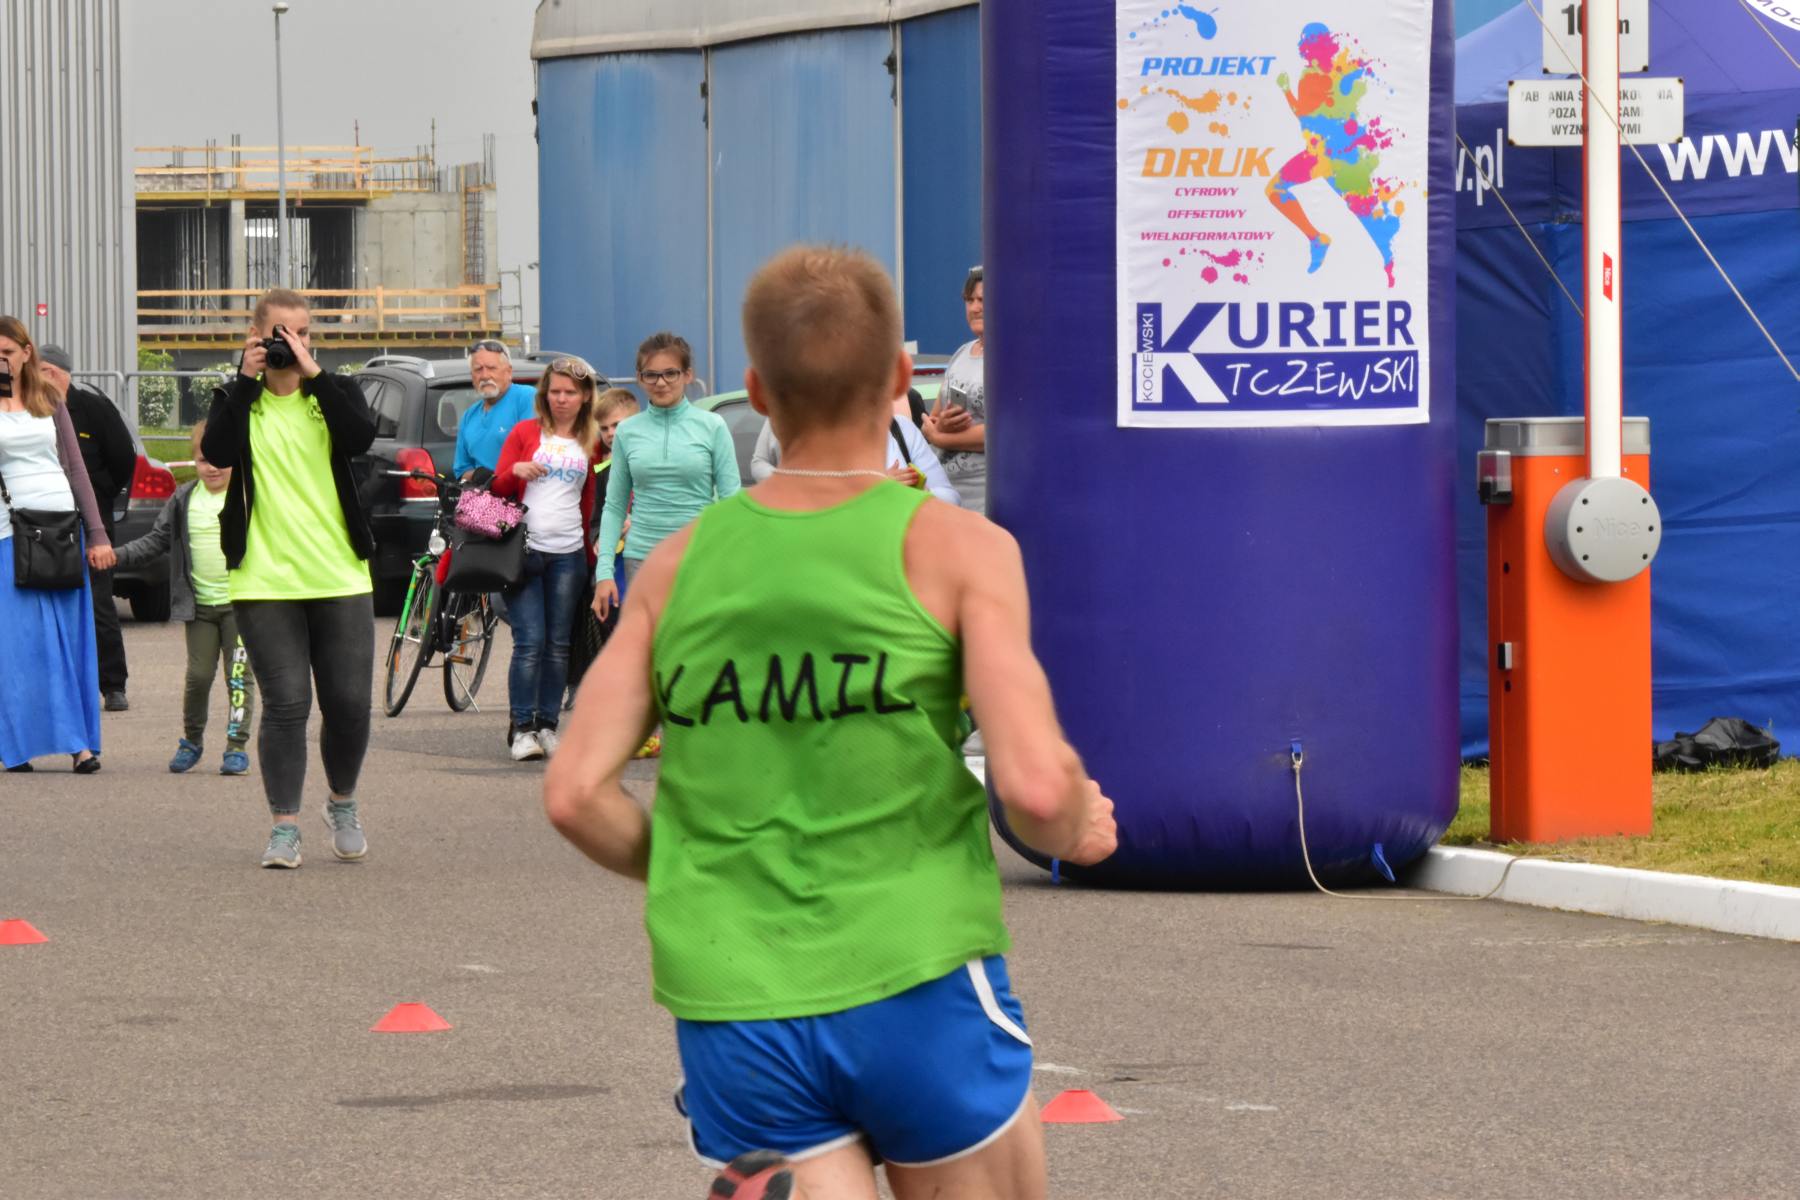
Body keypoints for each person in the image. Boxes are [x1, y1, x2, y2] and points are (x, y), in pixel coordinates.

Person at [543, 246, 1117, 1200]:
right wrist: (1076, 824)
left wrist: (697, 862)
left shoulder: (677, 566)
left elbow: (572, 794)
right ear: (900, 377)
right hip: (914, 968)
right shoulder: (961, 548)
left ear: (756, 393)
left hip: (735, 991)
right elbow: (1031, 786)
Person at [200, 289, 378, 869]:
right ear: (255, 335)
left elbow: (360, 438)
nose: (292, 343)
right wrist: (244, 379)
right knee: (287, 704)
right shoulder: (236, 398)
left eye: (302, 333)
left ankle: (342, 803)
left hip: (339, 572)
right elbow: (218, 452)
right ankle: (284, 827)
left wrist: (314, 374)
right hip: (264, 578)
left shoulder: (335, 392)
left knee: (348, 703)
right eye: (281, 333)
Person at [0, 316, 115, 773]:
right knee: (21, 644)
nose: (2, 361)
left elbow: (76, 469)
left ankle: (79, 745)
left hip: (62, 529)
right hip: (9, 533)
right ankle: (17, 745)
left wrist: (98, 533)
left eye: (7, 352)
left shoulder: (49, 398)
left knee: (68, 639)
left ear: (27, 352)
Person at [112, 420, 256, 776]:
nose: (213, 467)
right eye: (205, 460)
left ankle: (236, 746)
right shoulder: (184, 499)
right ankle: (192, 740)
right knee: (198, 677)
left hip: (241, 607)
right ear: (194, 461)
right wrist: (117, 555)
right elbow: (156, 540)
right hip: (200, 607)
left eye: (222, 460)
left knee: (238, 677)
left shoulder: (248, 497)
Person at [489, 358, 603, 762]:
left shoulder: (591, 439)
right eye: (555, 391)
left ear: (585, 396)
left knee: (558, 644)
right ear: (544, 394)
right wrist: (516, 470)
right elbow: (497, 486)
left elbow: (592, 498)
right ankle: (522, 729)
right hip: (524, 551)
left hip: (569, 553)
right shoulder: (525, 432)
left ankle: (547, 725)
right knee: (530, 641)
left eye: (570, 392)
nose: (561, 398)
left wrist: (591, 553)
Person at [589, 332, 738, 623]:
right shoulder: (628, 431)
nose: (661, 382)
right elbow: (615, 506)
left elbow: (731, 501)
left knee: (697, 647)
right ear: (639, 378)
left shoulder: (713, 426)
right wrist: (604, 572)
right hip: (641, 561)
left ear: (687, 375)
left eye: (670, 373)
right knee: (647, 648)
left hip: (699, 559)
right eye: (651, 374)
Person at [38, 344, 137, 711]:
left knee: (98, 602)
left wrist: (102, 493)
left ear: (57, 373)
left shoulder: (93, 408)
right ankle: (61, 687)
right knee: (51, 603)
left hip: (92, 520)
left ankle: (113, 684)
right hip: (46, 523)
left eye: (42, 370)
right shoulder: (32, 410)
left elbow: (123, 457)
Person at [564, 387, 640, 708]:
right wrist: (598, 539)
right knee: (618, 629)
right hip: (618, 567)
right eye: (605, 428)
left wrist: (638, 520)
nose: (610, 434)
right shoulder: (603, 469)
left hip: (651, 560)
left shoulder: (653, 461)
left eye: (617, 425)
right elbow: (597, 518)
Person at [750, 408, 962, 507]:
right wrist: (874, 487)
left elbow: (952, 499)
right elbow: (817, 502)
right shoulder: (814, 437)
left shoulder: (902, 429)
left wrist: (921, 492)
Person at [923, 266, 988, 514]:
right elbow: (932, 420)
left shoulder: (1013, 357)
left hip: (983, 498)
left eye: (982, 300)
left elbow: (1002, 433)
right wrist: (940, 426)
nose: (974, 308)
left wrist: (940, 438)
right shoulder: (961, 353)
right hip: (945, 493)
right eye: (969, 300)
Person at [452, 339, 536, 480]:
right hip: (482, 492)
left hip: (520, 491)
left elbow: (532, 456)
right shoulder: (469, 416)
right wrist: (479, 476)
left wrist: (499, 478)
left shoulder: (527, 398)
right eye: (478, 369)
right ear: (472, 376)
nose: (485, 376)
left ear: (508, 372)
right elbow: (461, 472)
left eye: (492, 368)